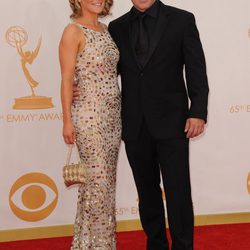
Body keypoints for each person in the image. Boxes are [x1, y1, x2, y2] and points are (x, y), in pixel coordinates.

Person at [74, 0, 209, 249]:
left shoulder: (182, 20)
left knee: (178, 191)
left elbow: (196, 69)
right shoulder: (117, 27)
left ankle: (183, 245)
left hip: (174, 122)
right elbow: (106, 69)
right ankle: (155, 244)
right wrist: (79, 86)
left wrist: (198, 112)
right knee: (147, 194)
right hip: (134, 123)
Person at [59, 0, 121, 249]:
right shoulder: (73, 31)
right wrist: (66, 120)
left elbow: (108, 71)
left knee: (104, 186)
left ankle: (90, 243)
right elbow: (65, 78)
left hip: (113, 117)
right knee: (98, 184)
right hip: (88, 116)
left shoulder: (107, 30)